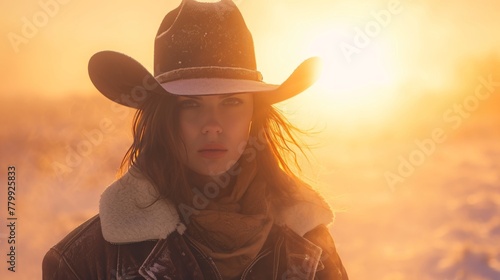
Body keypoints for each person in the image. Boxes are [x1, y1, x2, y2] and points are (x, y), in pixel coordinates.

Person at [42, 0, 349, 279]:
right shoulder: (84, 263)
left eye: (231, 102)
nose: (212, 125)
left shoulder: (311, 246)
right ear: (165, 119)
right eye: (190, 103)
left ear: (254, 115)